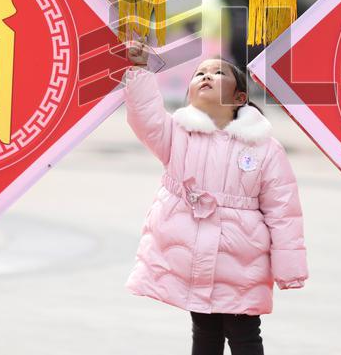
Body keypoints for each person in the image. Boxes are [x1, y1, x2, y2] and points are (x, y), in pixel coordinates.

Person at [123, 39, 308, 355]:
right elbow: (146, 118)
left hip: (243, 260)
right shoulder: (178, 135)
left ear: (239, 97)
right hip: (196, 255)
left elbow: (283, 210)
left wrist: (289, 267)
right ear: (190, 94)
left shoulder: (263, 148)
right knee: (204, 331)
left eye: (219, 73)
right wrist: (139, 70)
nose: (206, 76)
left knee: (245, 334)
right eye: (200, 74)